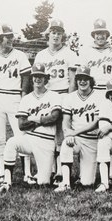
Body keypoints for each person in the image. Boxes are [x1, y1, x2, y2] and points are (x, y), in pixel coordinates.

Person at [0, 23, 32, 184]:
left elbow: (25, 78)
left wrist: (23, 99)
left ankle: (27, 174)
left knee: (22, 136)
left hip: (15, 97)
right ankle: (2, 173)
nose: (10, 39)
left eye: (11, 36)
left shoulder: (20, 55)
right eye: (7, 37)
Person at [0, 63, 61, 192]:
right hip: (30, 139)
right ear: (32, 78)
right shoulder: (26, 99)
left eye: (41, 76)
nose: (38, 79)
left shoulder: (54, 95)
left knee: (43, 182)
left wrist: (33, 119)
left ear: (46, 78)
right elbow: (21, 125)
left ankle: (44, 174)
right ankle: (7, 181)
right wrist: (43, 119)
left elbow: (54, 117)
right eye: (35, 76)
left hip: (46, 141)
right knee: (11, 142)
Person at [34, 19, 78, 185]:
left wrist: (70, 98)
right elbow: (37, 79)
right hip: (47, 96)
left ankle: (60, 171)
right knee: (47, 131)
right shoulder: (41, 55)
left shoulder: (70, 53)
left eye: (59, 32)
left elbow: (72, 78)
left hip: (63, 94)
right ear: (48, 34)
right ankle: (50, 169)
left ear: (63, 35)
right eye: (53, 32)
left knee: (61, 132)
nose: (56, 35)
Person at [54, 66, 100, 192]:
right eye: (79, 78)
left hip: (92, 140)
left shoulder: (99, 97)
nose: (82, 81)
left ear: (91, 80)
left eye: (86, 79)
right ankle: (66, 183)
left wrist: (73, 132)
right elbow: (66, 120)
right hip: (77, 139)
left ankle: (83, 177)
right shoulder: (70, 97)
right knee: (65, 145)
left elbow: (96, 123)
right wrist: (68, 134)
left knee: (87, 183)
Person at [79, 18, 112, 91]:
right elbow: (81, 77)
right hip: (91, 91)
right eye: (97, 33)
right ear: (93, 35)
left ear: (107, 35)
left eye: (103, 33)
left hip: (110, 92)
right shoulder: (86, 52)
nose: (100, 36)